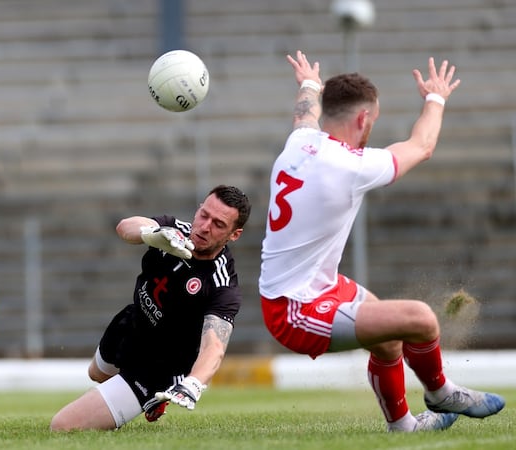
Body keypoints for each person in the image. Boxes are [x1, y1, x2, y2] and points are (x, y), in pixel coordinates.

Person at [258, 50, 505, 432]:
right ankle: (440, 392)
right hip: (295, 309)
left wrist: (308, 83)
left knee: (389, 339)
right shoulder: (349, 164)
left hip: (314, 287)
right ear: (363, 118)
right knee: (420, 319)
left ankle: (403, 426)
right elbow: (422, 146)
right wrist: (435, 98)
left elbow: (304, 110)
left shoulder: (299, 141)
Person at [50, 185, 250, 431]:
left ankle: (148, 394)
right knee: (96, 374)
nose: (205, 226)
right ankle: (138, 401)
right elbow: (125, 227)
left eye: (218, 224)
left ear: (234, 234)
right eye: (204, 215)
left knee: (62, 426)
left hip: (158, 366)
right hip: (132, 323)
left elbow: (214, 346)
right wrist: (152, 234)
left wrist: (194, 383)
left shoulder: (222, 284)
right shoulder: (173, 232)